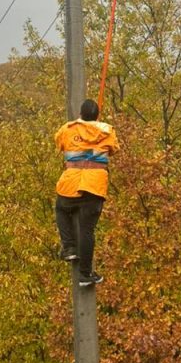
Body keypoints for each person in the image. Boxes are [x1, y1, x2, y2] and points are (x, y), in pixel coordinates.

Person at [54, 98, 119, 287]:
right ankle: (85, 274)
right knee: (87, 230)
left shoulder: (68, 129)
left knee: (61, 209)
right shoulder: (106, 131)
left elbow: (59, 143)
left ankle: (69, 247)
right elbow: (113, 150)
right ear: (97, 116)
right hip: (94, 186)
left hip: (71, 183)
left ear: (81, 114)